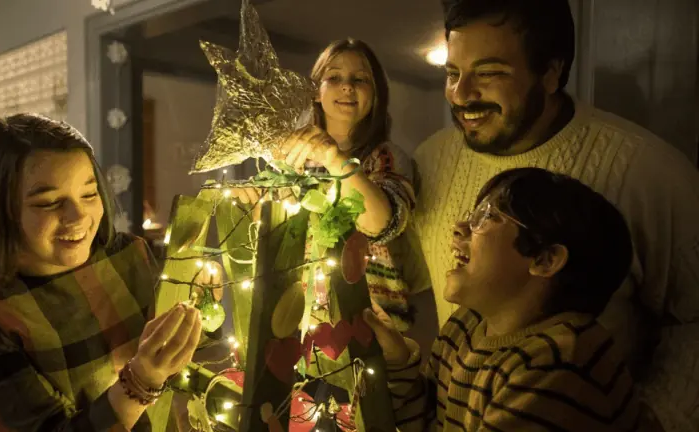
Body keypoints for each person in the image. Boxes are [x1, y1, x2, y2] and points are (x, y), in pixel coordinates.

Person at [406, 1, 699, 429]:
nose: (461, 95)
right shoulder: (430, 160)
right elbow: (410, 276)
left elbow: (693, 319)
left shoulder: (649, 172)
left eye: (489, 73)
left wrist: (654, 418)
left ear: (551, 72)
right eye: (453, 74)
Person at [0, 114, 211, 431]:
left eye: (89, 194)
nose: (79, 216)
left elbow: (184, 349)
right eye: (49, 202)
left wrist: (206, 302)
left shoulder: (129, 255)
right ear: (0, 210)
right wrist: (140, 381)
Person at [366, 168, 646, 431]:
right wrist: (399, 359)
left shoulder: (557, 366)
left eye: (487, 217)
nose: (459, 228)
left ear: (545, 260)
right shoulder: (467, 323)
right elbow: (430, 423)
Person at [234, 38, 417, 330]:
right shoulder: (293, 161)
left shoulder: (385, 158)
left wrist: (333, 157)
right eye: (334, 78)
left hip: (374, 324)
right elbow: (274, 237)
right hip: (299, 321)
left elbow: (383, 224)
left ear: (376, 94)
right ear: (316, 91)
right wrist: (249, 206)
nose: (347, 87)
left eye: (360, 79)